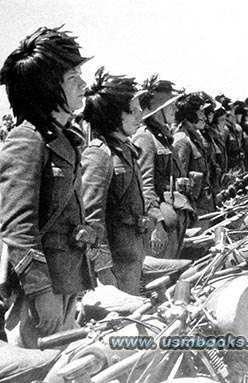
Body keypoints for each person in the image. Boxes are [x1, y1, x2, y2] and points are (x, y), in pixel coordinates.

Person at [0, 26, 95, 348]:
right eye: (73, 77)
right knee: (39, 368)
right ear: (47, 88)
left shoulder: (61, 137)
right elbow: (17, 226)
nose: (84, 84)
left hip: (65, 278)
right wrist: (41, 293)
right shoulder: (27, 139)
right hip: (41, 291)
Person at [81, 67, 147, 295]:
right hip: (115, 265)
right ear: (113, 115)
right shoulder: (99, 154)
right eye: (133, 111)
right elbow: (92, 217)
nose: (140, 116)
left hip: (132, 256)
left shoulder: (126, 150)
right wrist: (103, 269)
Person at [132, 75, 194, 259]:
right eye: (171, 104)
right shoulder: (145, 138)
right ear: (159, 109)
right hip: (161, 225)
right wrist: (156, 223)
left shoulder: (163, 138)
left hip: (174, 219)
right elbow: (145, 186)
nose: (176, 108)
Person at [173, 93, 216, 221]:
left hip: (204, 204)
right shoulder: (182, 140)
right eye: (200, 113)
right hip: (195, 209)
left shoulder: (195, 137)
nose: (204, 117)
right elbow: (180, 183)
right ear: (190, 114)